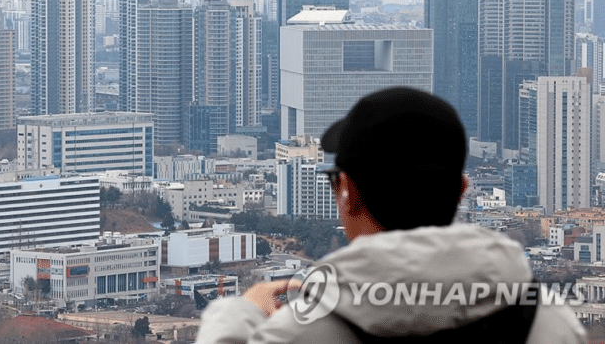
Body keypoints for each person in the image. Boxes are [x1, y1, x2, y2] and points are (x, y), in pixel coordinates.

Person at [196, 87, 586, 343]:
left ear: (347, 194)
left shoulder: (302, 333)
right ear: (462, 190)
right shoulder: (547, 323)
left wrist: (241, 311)